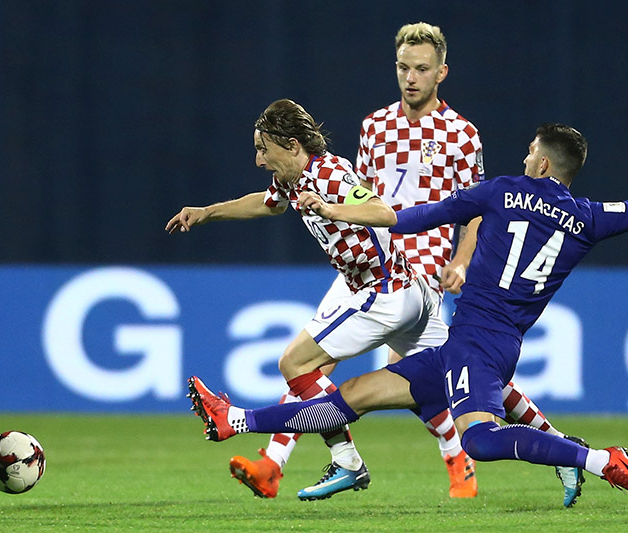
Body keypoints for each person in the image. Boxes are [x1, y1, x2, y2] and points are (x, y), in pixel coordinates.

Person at [187, 123, 628, 504]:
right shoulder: (592, 218)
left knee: (482, 441)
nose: (524, 157)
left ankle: (599, 458)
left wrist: (338, 209)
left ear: (541, 165)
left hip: (476, 348)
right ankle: (231, 420)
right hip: (477, 344)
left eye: (530, 152)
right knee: (352, 396)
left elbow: (411, 218)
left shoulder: (499, 191)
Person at [228, 22, 586, 505]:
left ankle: (484, 459)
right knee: (325, 364)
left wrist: (461, 260)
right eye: (402, 67)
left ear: (442, 72)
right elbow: (358, 192)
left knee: (428, 375)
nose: (410, 77)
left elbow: (477, 207)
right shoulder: (374, 126)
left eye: (420, 68)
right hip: (374, 262)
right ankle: (281, 464)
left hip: (425, 269)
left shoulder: (461, 133)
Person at [167, 98, 457, 501]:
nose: (258, 160)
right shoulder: (293, 179)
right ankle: (562, 452)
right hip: (404, 292)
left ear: (290, 145)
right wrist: (208, 212)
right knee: (466, 378)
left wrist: (331, 207)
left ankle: (348, 462)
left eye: (262, 149)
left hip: (384, 291)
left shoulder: (329, 174)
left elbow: (382, 211)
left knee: (295, 362)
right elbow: (267, 204)